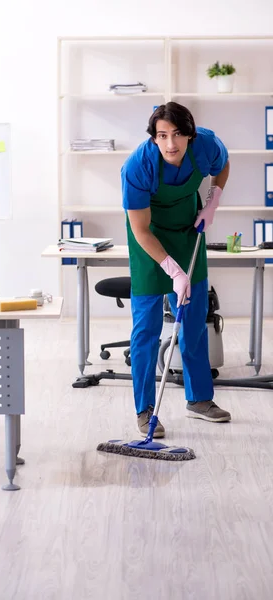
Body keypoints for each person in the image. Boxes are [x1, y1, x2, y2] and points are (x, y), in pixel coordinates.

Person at [121, 101, 231, 438]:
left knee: (194, 322)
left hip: (187, 231)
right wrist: (172, 269)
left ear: (190, 135)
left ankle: (198, 400)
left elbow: (223, 165)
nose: (171, 144)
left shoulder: (206, 145)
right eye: (163, 135)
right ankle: (145, 410)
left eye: (178, 135)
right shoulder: (138, 166)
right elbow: (140, 229)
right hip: (149, 242)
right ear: (154, 138)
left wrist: (212, 200)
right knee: (146, 331)